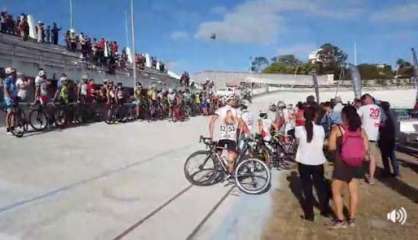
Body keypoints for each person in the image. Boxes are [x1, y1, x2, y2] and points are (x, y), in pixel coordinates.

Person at [328, 105, 368, 228]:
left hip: (342, 163)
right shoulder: (361, 130)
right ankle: (352, 219)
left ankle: (340, 219)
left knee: (336, 191)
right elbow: (366, 148)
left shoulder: (338, 129)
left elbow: (331, 147)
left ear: (344, 115)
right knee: (353, 192)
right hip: (356, 163)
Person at [295, 106, 330, 222]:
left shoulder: (299, 129)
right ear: (315, 115)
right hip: (318, 161)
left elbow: (298, 143)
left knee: (307, 188)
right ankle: (325, 210)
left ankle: (310, 215)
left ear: (304, 116)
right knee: (320, 187)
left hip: (304, 161)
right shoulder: (321, 129)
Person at [209, 96, 244, 174]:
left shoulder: (220, 110)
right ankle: (230, 173)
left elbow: (211, 122)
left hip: (220, 137)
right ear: (229, 100)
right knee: (231, 158)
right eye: (233, 99)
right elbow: (242, 125)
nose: (235, 101)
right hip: (232, 138)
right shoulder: (236, 111)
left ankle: (217, 170)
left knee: (217, 155)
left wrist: (211, 136)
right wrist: (239, 136)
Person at [357, 93, 381, 184]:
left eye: (363, 100)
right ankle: (371, 178)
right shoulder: (378, 108)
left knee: (361, 155)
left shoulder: (363, 108)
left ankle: (360, 173)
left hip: (364, 135)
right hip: (374, 135)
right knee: (372, 157)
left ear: (365, 100)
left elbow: (355, 118)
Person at [378, 101, 400, 177]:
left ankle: (387, 171)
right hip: (392, 136)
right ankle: (396, 172)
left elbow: (382, 125)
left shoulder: (383, 115)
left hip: (384, 137)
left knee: (384, 155)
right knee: (392, 154)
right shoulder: (394, 113)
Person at [3, 67, 18, 134]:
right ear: (10, 73)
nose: (15, 73)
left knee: (13, 113)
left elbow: (14, 89)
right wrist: (9, 98)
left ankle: (12, 127)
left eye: (15, 72)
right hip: (8, 98)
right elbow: (5, 90)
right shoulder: (7, 80)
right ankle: (8, 129)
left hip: (13, 97)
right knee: (9, 112)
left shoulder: (13, 79)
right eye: (13, 72)